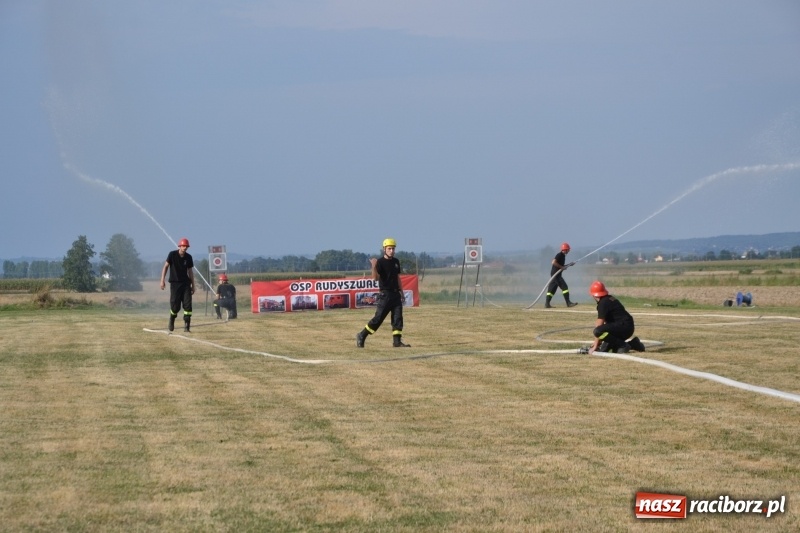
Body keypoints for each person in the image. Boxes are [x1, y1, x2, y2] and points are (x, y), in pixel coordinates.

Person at [356, 238, 410, 348]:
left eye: (393, 248)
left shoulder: (396, 262)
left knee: (397, 319)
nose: (392, 251)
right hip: (385, 295)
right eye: (389, 248)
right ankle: (362, 335)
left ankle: (397, 342)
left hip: (396, 295)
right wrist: (373, 266)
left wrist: (402, 293)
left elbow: (398, 278)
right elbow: (375, 278)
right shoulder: (380, 262)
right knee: (378, 319)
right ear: (384, 249)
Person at [588, 280, 646, 354]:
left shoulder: (603, 303)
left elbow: (599, 326)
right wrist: (599, 342)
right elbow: (607, 327)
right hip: (626, 327)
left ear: (594, 295)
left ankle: (624, 345)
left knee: (597, 331)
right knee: (605, 350)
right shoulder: (609, 299)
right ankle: (634, 344)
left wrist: (595, 345)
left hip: (623, 327)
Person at [160, 237, 195, 332]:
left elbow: (190, 272)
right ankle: (172, 318)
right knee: (175, 306)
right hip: (175, 284)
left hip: (186, 284)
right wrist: (162, 280)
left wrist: (193, 285)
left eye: (186, 246)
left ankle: (187, 326)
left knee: (188, 306)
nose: (185, 247)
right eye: (183, 246)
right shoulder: (172, 255)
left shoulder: (189, 257)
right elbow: (165, 267)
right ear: (179, 246)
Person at [545, 242, 577, 308]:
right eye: (568, 249)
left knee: (551, 290)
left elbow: (562, 266)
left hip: (556, 274)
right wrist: (561, 267)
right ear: (564, 249)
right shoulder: (559, 255)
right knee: (565, 287)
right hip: (556, 275)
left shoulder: (563, 256)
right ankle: (568, 303)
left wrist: (570, 264)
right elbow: (553, 262)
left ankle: (547, 304)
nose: (568, 251)